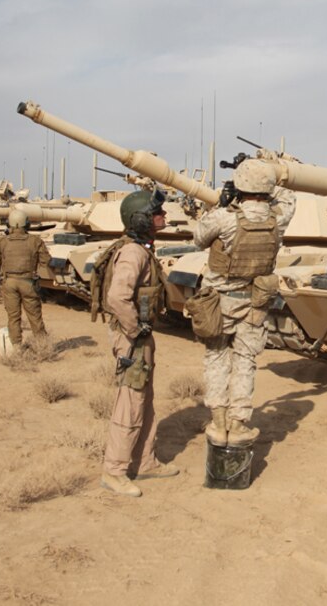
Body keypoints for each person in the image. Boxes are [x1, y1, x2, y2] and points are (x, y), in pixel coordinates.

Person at [193, 158, 296, 447]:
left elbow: (199, 238)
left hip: (219, 303)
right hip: (254, 303)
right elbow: (288, 195)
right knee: (245, 362)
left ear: (239, 185)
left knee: (216, 358)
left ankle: (218, 422)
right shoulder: (279, 217)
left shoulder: (224, 217)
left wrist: (221, 204)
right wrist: (272, 164)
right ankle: (238, 426)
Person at [101, 190, 180, 497]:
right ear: (141, 219)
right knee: (129, 404)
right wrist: (134, 332)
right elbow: (117, 297)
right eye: (157, 212)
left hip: (140, 335)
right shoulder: (133, 253)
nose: (164, 216)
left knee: (144, 400)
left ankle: (144, 461)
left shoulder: (142, 249)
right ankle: (115, 470)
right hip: (132, 337)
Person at [0, 209, 50, 351]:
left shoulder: (1, 242)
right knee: (35, 316)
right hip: (28, 282)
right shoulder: (35, 241)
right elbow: (46, 261)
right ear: (27, 224)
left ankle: (16, 348)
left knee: (13, 317)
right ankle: (42, 346)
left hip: (9, 283)